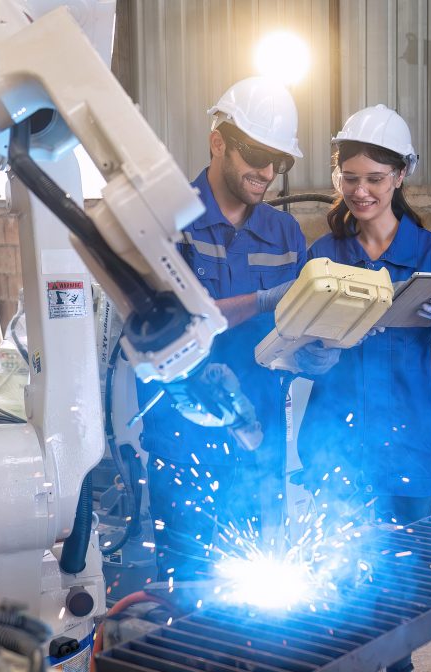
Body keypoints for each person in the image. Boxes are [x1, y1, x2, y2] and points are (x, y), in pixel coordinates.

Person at [296, 105, 431, 672]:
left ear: (400, 177)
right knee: (339, 568)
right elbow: (304, 355)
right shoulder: (324, 256)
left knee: (401, 572)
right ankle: (343, 669)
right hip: (335, 444)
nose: (361, 191)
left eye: (375, 179)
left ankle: (395, 671)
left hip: (410, 445)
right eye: (350, 179)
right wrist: (315, 354)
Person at [139, 77, 338, 582]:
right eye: (255, 154)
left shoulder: (286, 234)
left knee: (252, 585)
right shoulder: (166, 218)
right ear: (218, 142)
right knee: (188, 589)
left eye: (279, 162)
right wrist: (265, 300)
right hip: (186, 438)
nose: (266, 172)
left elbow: (291, 336)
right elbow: (174, 324)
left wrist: (314, 354)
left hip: (260, 437)